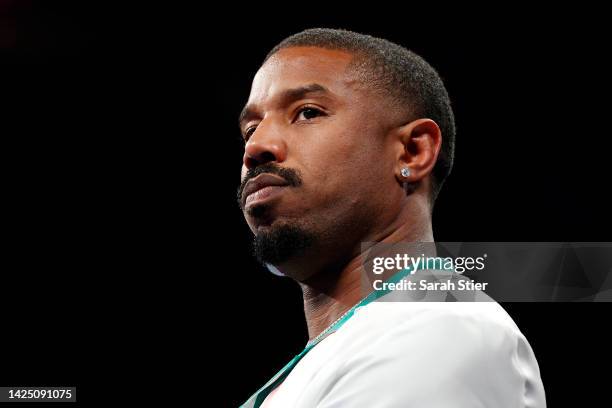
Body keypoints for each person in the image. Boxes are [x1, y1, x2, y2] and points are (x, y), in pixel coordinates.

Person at [237, 28, 546, 407]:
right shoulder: (348, 348)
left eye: (307, 113)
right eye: (251, 129)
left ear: (412, 153)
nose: (255, 147)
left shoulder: (437, 330)